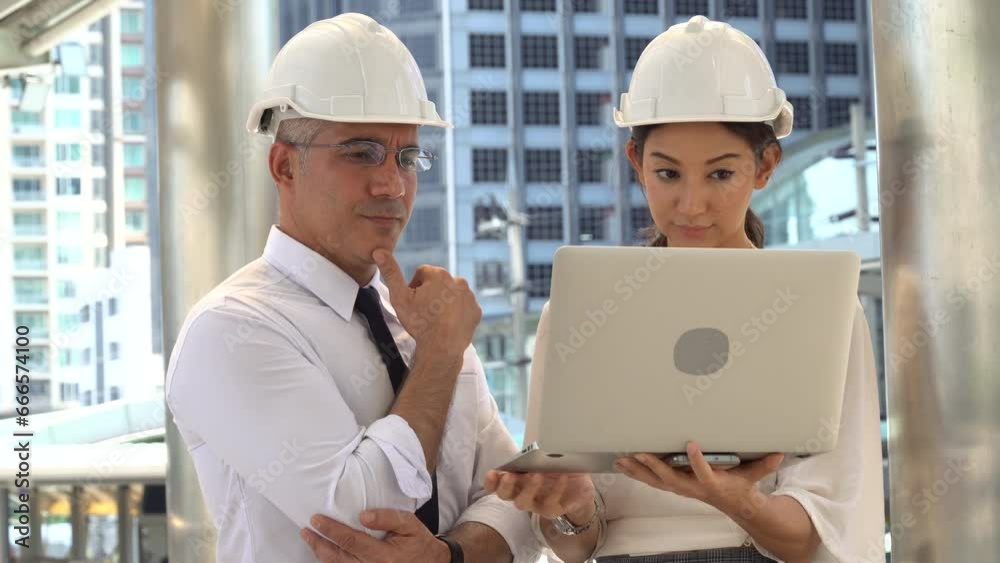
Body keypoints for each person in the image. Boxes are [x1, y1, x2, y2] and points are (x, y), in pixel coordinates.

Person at [484, 16, 885, 563]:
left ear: (765, 166)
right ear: (636, 165)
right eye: (668, 174)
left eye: (720, 174)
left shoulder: (822, 312)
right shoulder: (582, 312)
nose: (692, 205)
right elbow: (570, 542)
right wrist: (571, 504)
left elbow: (827, 535)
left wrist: (738, 502)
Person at [165, 13, 536, 563]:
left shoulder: (424, 321)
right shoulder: (231, 328)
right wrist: (438, 355)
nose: (391, 184)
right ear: (284, 166)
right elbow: (361, 516)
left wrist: (446, 557)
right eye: (361, 152)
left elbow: (520, 504)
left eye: (407, 157)